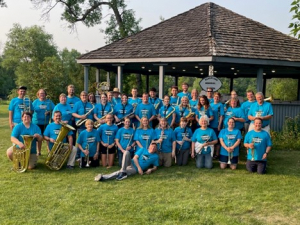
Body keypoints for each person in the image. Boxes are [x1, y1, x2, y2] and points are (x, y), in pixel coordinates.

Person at [94, 142, 159, 182]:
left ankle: (103, 177)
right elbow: (135, 158)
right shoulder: (143, 149)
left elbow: (155, 167)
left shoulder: (155, 156)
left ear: (156, 149)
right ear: (149, 146)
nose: (153, 148)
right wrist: (139, 168)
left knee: (119, 172)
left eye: (154, 147)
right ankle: (123, 172)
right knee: (126, 152)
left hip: (134, 169)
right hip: (131, 162)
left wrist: (151, 169)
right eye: (152, 146)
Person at [32, 89, 55, 155]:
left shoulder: (49, 102)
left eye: (43, 93)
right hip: (36, 123)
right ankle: (38, 152)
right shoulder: (35, 102)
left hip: (46, 123)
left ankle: (49, 151)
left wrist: (49, 112)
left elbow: (54, 110)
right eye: (40, 93)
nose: (42, 95)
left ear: (45, 94)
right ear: (38, 94)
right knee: (38, 138)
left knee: (47, 137)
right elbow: (31, 111)